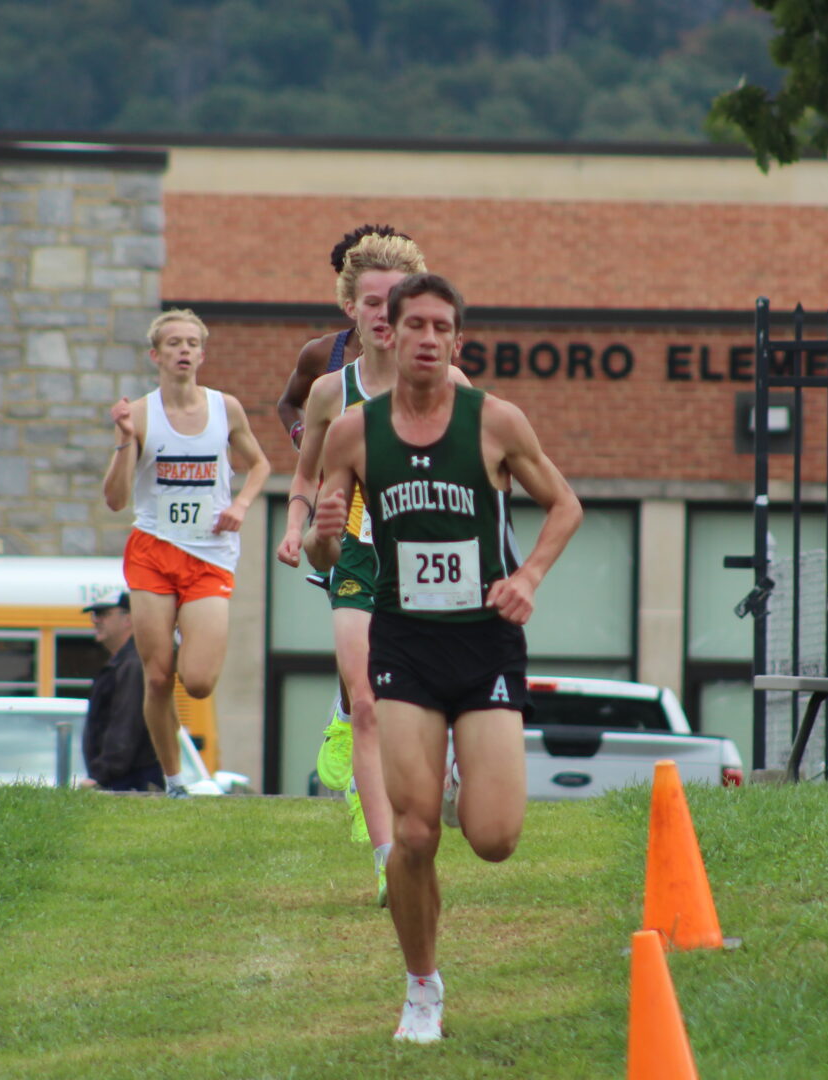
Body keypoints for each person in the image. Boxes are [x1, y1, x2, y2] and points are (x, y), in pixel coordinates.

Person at [307, 273, 582, 1044]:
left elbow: (565, 506)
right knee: (416, 835)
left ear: (458, 341)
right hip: (403, 641)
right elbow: (330, 547)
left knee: (493, 839)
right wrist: (327, 531)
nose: (428, 338)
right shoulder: (353, 432)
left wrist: (527, 576)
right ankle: (421, 988)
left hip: (484, 639)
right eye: (415, 324)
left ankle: (463, 771)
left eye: (443, 327)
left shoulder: (495, 421)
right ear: (387, 334)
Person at [277, 232, 473, 905]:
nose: (386, 314)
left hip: (431, 554)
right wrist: (297, 527)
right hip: (358, 549)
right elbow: (304, 477)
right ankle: (389, 860)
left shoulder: (451, 384)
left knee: (425, 703)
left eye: (397, 300)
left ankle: (436, 789)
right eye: (372, 303)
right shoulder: (334, 389)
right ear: (351, 310)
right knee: (366, 703)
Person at [104, 308, 270, 798]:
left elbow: (260, 465)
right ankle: (175, 781)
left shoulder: (226, 408)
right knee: (157, 678)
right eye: (173, 343)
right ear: (156, 355)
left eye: (191, 343)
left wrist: (240, 503)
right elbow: (115, 500)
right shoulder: (139, 414)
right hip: (153, 549)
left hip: (209, 555)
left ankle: (189, 631)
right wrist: (123, 442)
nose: (183, 351)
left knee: (196, 682)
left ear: (201, 353)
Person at [275, 225, 410, 448]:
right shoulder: (322, 353)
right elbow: (288, 404)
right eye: (373, 299)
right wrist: (304, 439)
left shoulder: (424, 358)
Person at [77, 587, 161, 792]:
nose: (95, 620)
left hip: (131, 781)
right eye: (94, 615)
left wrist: (101, 775)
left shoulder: (133, 664)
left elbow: (126, 723)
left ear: (129, 619)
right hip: (124, 778)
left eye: (103, 614)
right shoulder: (124, 662)